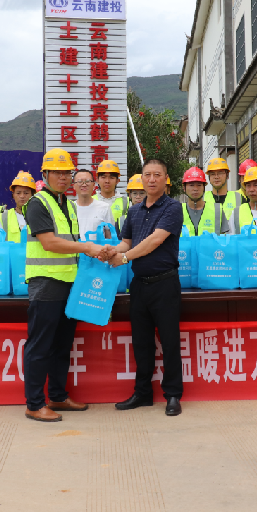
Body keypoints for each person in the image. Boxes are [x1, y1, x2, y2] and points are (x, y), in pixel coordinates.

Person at [23, 148, 103, 422]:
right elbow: (49, 242)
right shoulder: (37, 203)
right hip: (46, 284)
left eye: (66, 172)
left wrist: (95, 250)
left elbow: (71, 243)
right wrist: (88, 248)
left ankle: (57, 396)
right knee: (40, 345)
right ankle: (34, 403)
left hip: (69, 283)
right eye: (56, 172)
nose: (62, 177)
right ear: (45, 174)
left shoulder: (67, 204)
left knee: (61, 345)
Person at [106, 158, 184, 416]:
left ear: (165, 179)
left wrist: (124, 258)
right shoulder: (134, 211)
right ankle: (143, 393)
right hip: (139, 285)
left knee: (170, 341)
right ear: (141, 178)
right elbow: (126, 242)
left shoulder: (173, 208)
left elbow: (155, 240)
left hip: (165, 284)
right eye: (147, 175)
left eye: (157, 175)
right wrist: (109, 251)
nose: (151, 179)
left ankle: (172, 395)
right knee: (141, 343)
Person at [182, 167, 228, 236]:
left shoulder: (217, 210)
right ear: (184, 188)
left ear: (204, 187)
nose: (195, 189)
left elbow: (224, 239)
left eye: (199, 185)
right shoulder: (177, 211)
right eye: (191, 185)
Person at [73, 169, 114, 240]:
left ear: (93, 185)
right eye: (80, 181)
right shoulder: (69, 208)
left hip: (98, 247)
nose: (84, 185)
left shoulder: (104, 207)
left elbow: (109, 236)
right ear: (74, 186)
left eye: (87, 181)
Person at [0, 171, 36, 243]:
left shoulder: (40, 215)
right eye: (18, 193)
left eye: (26, 193)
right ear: (13, 195)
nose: (22, 196)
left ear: (33, 195)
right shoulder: (4, 217)